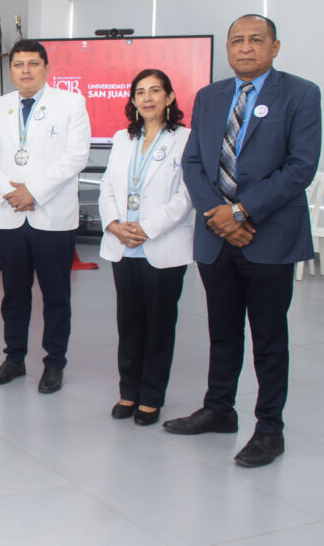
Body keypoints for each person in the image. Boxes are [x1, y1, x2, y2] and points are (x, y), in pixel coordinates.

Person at [166, 15, 321, 467]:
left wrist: (240, 212)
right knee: (223, 331)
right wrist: (219, 216)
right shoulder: (211, 96)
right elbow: (193, 163)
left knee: (269, 338)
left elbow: (300, 166)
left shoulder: (301, 93)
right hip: (217, 238)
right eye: (238, 41)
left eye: (257, 40)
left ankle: (270, 428)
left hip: (269, 237)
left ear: (275, 47)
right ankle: (219, 409)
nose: (246, 48)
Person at [0, 39, 90, 393]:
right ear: (10, 70)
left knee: (56, 295)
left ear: (46, 67)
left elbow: (75, 157)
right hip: (10, 214)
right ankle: (14, 358)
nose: (25, 70)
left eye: (33, 64)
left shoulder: (71, 104)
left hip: (51, 214)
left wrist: (33, 192)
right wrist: (12, 193)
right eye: (18, 64)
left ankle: (54, 362)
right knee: (14, 294)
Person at [99, 69, 194, 426]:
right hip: (123, 245)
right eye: (140, 92)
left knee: (159, 324)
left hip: (162, 244)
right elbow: (107, 186)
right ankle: (129, 391)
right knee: (130, 323)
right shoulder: (122, 138)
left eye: (156, 91)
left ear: (169, 97)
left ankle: (151, 396)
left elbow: (186, 195)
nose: (148, 98)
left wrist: (147, 228)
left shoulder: (185, 139)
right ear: (133, 100)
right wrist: (113, 225)